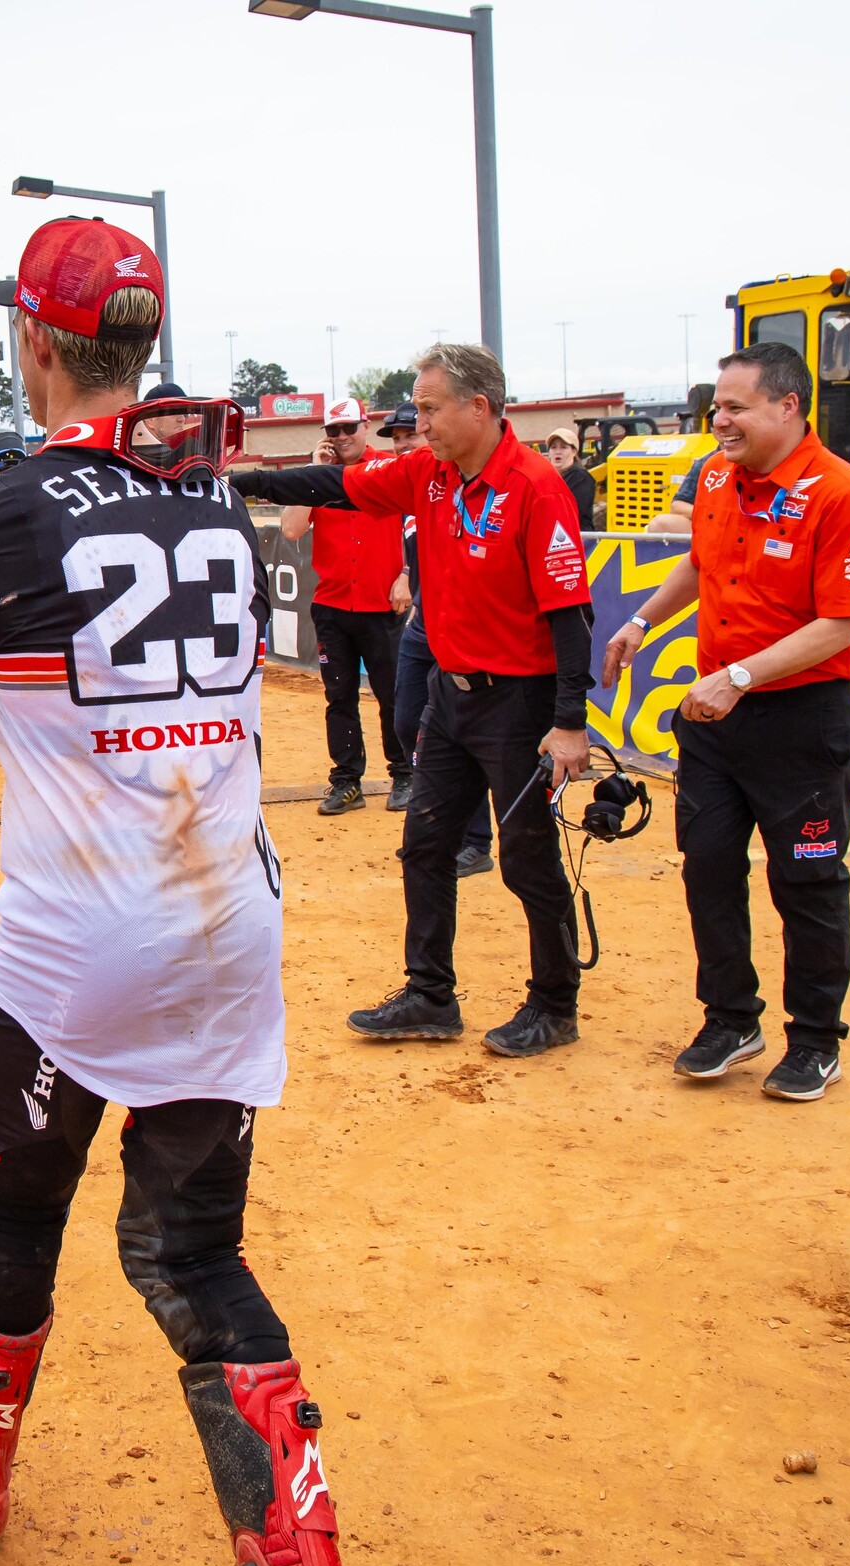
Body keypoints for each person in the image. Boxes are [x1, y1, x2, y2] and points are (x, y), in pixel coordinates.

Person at [0, 216, 353, 1566]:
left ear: (33, 346)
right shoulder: (216, 509)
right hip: (230, 924)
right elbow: (136, 694)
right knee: (193, 1252)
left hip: (80, 948)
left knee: (14, 1215)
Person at [234, 343, 596, 1059]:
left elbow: (570, 615)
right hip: (450, 698)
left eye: (430, 409)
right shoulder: (429, 475)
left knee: (527, 862)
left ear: (480, 408)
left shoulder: (534, 485)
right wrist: (237, 483)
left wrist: (568, 724)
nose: (420, 423)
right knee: (424, 846)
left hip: (519, 705)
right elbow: (338, 483)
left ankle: (555, 1004)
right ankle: (430, 994)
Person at [601, 342, 850, 1102]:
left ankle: (816, 1040)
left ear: (787, 406)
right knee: (709, 869)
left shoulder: (841, 492)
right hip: (715, 717)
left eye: (735, 407)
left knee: (808, 884)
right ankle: (730, 1018)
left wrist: (739, 677)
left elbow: (840, 624)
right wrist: (640, 621)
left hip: (802, 720)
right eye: (716, 407)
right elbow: (699, 561)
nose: (719, 420)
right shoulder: (721, 477)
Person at [381, 403, 498, 877]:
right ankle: (439, 827)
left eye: (412, 431)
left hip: (468, 627)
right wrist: (408, 573)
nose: (406, 441)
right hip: (426, 621)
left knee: (463, 731)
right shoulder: (416, 484)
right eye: (397, 436)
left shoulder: (462, 477)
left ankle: (474, 840)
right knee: (408, 720)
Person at [283, 396, 410, 815]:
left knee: (393, 696)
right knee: (340, 697)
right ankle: (347, 781)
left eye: (348, 429)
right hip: (334, 605)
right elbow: (291, 529)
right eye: (333, 431)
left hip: (381, 605)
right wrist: (312, 471)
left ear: (365, 427)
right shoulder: (321, 478)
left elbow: (419, 524)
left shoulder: (389, 469)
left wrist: (406, 575)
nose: (341, 438)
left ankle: (405, 774)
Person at [542, 427, 599, 530]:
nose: (558, 452)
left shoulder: (580, 477)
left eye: (563, 447)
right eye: (553, 447)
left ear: (574, 452)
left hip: (579, 539)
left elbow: (564, 510)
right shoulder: (546, 477)